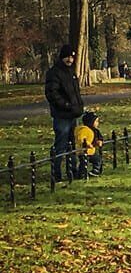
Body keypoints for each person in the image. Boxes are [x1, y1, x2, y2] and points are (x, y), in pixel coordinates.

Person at [44, 44, 84, 182]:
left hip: (72, 114)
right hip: (62, 115)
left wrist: (78, 106)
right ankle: (56, 172)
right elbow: (52, 93)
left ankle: (73, 170)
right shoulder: (54, 73)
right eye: (67, 57)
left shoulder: (71, 72)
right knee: (60, 144)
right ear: (62, 57)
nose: (70, 59)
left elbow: (75, 93)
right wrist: (65, 105)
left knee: (73, 144)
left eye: (72, 57)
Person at [73, 111, 103, 178]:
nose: (97, 123)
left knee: (97, 159)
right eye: (96, 121)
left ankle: (95, 170)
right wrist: (87, 143)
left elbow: (99, 137)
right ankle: (81, 174)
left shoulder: (96, 130)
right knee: (83, 163)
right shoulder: (84, 130)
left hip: (92, 151)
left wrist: (99, 141)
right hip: (83, 151)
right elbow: (81, 138)